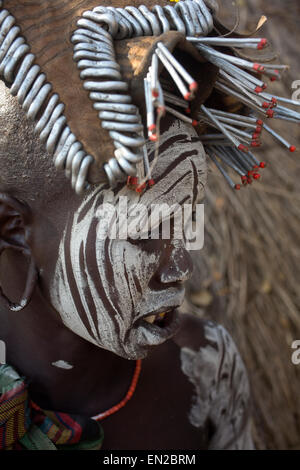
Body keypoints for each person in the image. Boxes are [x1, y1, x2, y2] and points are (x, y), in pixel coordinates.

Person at [0, 0, 254, 450]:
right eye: (141, 232)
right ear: (11, 228)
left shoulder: (206, 364)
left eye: (184, 220)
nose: (180, 267)